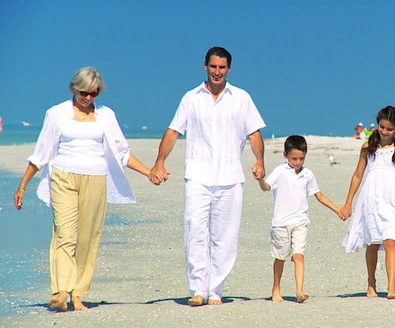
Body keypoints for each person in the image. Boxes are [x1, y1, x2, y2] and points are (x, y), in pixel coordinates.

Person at [13, 67, 152, 311]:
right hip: (64, 177)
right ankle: (61, 291)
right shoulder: (56, 114)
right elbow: (41, 153)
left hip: (96, 179)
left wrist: (150, 172)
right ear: (74, 89)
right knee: (65, 235)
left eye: (93, 93)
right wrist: (22, 186)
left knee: (88, 237)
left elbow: (122, 153)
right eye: (84, 93)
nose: (88, 98)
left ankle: (78, 294)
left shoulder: (106, 115)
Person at [149, 46, 266, 306]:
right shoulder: (191, 98)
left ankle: (216, 291)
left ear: (229, 69)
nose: (217, 72)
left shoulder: (241, 98)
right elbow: (173, 131)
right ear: (205, 66)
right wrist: (159, 162)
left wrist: (259, 161)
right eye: (213, 67)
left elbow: (255, 133)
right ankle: (198, 289)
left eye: (222, 68)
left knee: (225, 236)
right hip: (198, 176)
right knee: (195, 231)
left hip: (230, 177)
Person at [257, 135, 342, 303]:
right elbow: (266, 187)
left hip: (300, 221)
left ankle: (300, 291)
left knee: (299, 255)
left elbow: (318, 194)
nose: (297, 162)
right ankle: (276, 288)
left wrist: (338, 210)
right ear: (285, 155)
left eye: (301, 158)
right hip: (280, 223)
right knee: (280, 257)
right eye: (294, 158)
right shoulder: (280, 171)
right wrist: (260, 179)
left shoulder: (308, 174)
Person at [340, 106, 395, 299]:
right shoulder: (368, 147)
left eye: (389, 129)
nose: (384, 132)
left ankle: (392, 287)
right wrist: (348, 203)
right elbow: (357, 176)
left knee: (390, 239)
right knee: (372, 242)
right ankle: (371, 283)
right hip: (371, 197)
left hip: (392, 199)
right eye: (382, 127)